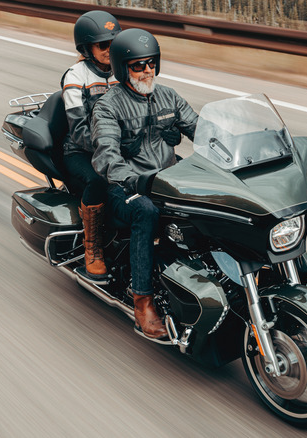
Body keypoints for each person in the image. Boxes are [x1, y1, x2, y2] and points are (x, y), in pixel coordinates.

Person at [91, 29, 198, 339]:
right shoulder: (108, 106)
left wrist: (233, 144)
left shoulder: (169, 97)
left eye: (151, 63)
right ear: (123, 68)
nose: (147, 70)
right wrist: (133, 179)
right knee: (146, 212)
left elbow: (201, 129)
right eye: (138, 65)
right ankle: (143, 301)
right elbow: (107, 156)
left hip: (166, 179)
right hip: (126, 188)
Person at [59, 10, 121, 282]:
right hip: (80, 150)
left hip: (118, 147)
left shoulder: (125, 69)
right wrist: (109, 149)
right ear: (87, 47)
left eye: (113, 43)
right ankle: (92, 249)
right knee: (99, 179)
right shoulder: (76, 75)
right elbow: (78, 127)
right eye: (102, 45)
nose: (109, 50)